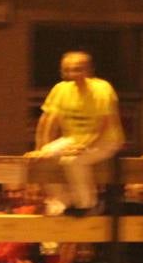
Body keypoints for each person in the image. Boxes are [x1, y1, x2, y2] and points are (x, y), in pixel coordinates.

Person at [29, 50, 124, 215]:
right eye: (69, 70)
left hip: (106, 139)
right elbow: (47, 120)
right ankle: (66, 201)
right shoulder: (61, 89)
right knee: (41, 160)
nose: (73, 74)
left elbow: (103, 125)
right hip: (73, 138)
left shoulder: (102, 89)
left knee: (73, 160)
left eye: (78, 69)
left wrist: (82, 147)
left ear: (88, 70)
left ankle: (87, 204)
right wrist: (41, 149)